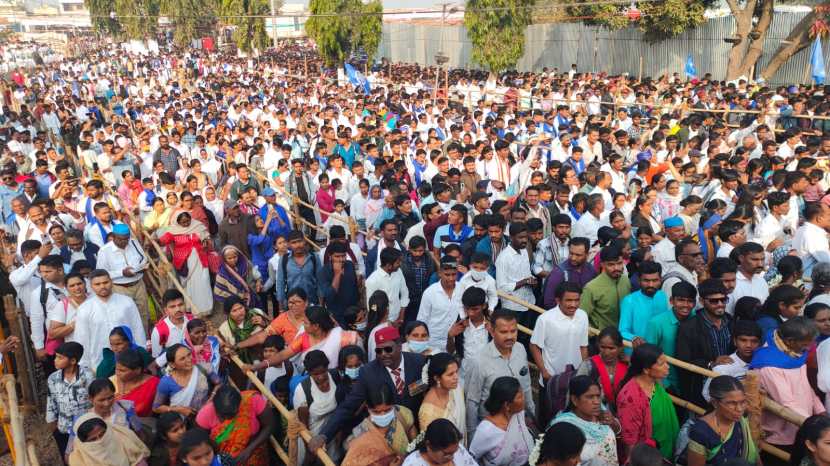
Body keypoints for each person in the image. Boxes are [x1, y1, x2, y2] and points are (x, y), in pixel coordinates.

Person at [308, 326, 427, 455]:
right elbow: (348, 406)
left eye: (388, 349)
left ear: (399, 346)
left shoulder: (419, 362)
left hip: (417, 431)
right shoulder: (369, 373)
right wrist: (324, 435)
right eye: (379, 351)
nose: (383, 354)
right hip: (386, 437)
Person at [754, 317, 826, 465]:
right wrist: (815, 425)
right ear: (790, 341)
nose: (810, 347)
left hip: (802, 426)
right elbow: (787, 404)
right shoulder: (769, 366)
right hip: (780, 435)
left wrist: (820, 411)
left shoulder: (794, 353)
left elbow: (806, 388)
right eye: (807, 344)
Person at [465, 309, 535, 435]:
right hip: (492, 429)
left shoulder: (520, 349)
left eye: (513, 331)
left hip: (519, 422)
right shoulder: (479, 361)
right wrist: (472, 436)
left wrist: (532, 414)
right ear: (491, 331)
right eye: (503, 332)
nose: (509, 336)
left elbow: (526, 386)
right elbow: (472, 402)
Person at [676, 279, 735, 408]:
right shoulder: (689, 328)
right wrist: (711, 363)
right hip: (703, 391)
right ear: (702, 301)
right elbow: (683, 361)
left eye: (723, 300)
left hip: (731, 386)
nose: (720, 304)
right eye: (714, 301)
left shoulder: (731, 321)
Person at [251, 305, 360, 373]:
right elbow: (282, 355)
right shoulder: (303, 338)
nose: (303, 325)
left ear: (316, 326)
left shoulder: (343, 338)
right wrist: (258, 366)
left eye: (306, 322)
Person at [616, 343, 679, 460]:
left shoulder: (656, 382)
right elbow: (630, 442)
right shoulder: (630, 398)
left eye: (666, 362)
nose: (667, 366)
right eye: (661, 364)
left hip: (666, 449)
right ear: (646, 369)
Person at [74, 270, 146, 371]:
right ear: (91, 286)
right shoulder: (85, 308)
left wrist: (141, 352)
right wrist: (85, 365)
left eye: (105, 282)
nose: (102, 286)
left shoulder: (126, 302)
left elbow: (137, 328)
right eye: (97, 284)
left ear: (111, 282)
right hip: (99, 360)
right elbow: (82, 338)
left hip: (129, 358)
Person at [687, 376, 759, 466]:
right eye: (732, 403)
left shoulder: (741, 419)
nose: (739, 409)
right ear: (715, 403)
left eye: (743, 402)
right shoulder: (701, 432)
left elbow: (754, 453)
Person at [195, 384, 274, 466]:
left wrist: (249, 450)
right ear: (214, 407)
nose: (228, 419)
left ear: (240, 403)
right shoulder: (205, 415)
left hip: (254, 454)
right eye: (223, 415)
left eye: (232, 414)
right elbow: (200, 442)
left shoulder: (252, 400)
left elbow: (269, 426)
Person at [551, 375, 620, 466]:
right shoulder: (563, 426)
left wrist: (613, 423)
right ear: (575, 400)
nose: (596, 402)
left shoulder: (602, 412)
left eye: (598, 396)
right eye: (590, 397)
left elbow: (618, 431)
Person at [342, 383, 417, 466]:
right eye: (376, 412)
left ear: (393, 405)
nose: (383, 415)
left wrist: (411, 455)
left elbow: (411, 430)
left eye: (387, 410)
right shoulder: (360, 434)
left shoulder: (402, 413)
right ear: (368, 408)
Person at [469, 376, 536, 466]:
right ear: (507, 405)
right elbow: (472, 458)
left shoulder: (518, 415)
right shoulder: (486, 431)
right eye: (520, 397)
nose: (524, 399)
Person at [531, 281, 589, 383]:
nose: (573, 305)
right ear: (558, 300)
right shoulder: (545, 319)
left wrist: (584, 370)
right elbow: (534, 346)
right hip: (551, 377)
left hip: (575, 377)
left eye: (577, 300)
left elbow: (583, 346)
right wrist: (544, 372)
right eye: (569, 300)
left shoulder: (583, 316)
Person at [96, 223, 152, 329]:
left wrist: (138, 268)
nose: (124, 242)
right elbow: (102, 273)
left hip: (138, 284)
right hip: (120, 288)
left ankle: (143, 340)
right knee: (125, 316)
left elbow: (143, 258)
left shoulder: (133, 243)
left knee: (143, 314)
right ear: (113, 236)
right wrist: (122, 273)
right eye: (121, 239)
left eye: (126, 239)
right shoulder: (105, 251)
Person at [157, 211, 212, 316]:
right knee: (188, 285)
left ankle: (205, 309)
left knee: (203, 283)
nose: (187, 224)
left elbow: (207, 238)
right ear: (178, 222)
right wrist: (155, 241)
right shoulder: (173, 231)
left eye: (188, 221)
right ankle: (190, 308)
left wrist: (205, 242)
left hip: (200, 261)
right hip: (184, 263)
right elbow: (163, 240)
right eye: (183, 222)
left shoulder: (198, 226)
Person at [47, 342, 94, 460]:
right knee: (69, 458)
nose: (55, 360)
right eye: (55, 356)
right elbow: (51, 401)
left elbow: (94, 400)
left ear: (73, 361)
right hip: (63, 429)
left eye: (60, 358)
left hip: (85, 428)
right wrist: (53, 425)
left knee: (87, 458)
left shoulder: (87, 376)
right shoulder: (53, 378)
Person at [702, 320, 763, 402]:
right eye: (743, 340)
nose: (749, 345)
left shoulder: (764, 364)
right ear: (735, 341)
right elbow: (707, 394)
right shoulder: (724, 368)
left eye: (754, 341)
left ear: (759, 343)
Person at [153, 344, 214, 418]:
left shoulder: (202, 368)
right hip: (183, 424)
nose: (189, 360)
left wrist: (212, 397)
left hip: (207, 415)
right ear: (172, 365)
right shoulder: (166, 382)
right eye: (182, 359)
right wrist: (179, 410)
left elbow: (219, 383)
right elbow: (156, 408)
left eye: (189, 354)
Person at [576, 326, 628, 410]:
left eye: (611, 348)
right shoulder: (588, 366)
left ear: (620, 348)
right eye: (602, 347)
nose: (606, 352)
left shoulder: (627, 366)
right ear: (598, 345)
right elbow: (577, 393)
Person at [580, 245, 631, 331]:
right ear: (602, 265)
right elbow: (581, 317)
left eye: (619, 263)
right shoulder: (591, 288)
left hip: (623, 335)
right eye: (611, 265)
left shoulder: (625, 280)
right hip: (601, 338)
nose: (616, 268)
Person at [417, 256, 463, 351]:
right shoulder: (430, 293)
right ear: (439, 273)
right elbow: (421, 320)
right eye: (447, 274)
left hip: (453, 343)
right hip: (432, 343)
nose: (451, 278)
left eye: (454, 274)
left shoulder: (462, 289)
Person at [68, 413, 150, 466]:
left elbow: (139, 459)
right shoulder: (77, 460)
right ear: (83, 442)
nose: (100, 440)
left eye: (102, 434)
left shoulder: (123, 437)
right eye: (92, 439)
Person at [618, 260, 669, 345]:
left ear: (660, 280)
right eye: (646, 281)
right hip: (638, 352)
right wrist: (633, 338)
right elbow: (623, 331)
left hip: (660, 351)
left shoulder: (663, 296)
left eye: (655, 280)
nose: (651, 285)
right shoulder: (629, 301)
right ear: (639, 280)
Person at [419, 353, 466, 439]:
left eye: (456, 372)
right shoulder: (427, 412)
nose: (456, 377)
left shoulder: (456, 388)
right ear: (437, 378)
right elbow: (433, 444)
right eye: (450, 374)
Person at [402, 418, 477, 466]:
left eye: (454, 452)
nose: (452, 457)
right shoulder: (412, 463)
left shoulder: (459, 449)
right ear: (429, 445)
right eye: (446, 454)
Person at [112, 349, 161, 418]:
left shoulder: (153, 384)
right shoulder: (112, 381)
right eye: (116, 369)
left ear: (137, 370)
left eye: (122, 370)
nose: (117, 373)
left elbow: (140, 409)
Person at [216, 297, 266, 364]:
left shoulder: (256, 314)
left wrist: (264, 324)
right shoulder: (224, 329)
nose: (239, 312)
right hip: (242, 365)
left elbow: (274, 331)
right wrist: (227, 351)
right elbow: (222, 351)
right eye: (234, 311)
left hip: (265, 358)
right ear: (228, 314)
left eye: (241, 308)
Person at [213, 244, 262, 310]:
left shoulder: (246, 264)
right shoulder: (222, 274)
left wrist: (258, 282)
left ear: (238, 255)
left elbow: (256, 274)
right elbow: (219, 291)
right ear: (224, 259)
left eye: (235, 257)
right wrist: (239, 295)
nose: (233, 260)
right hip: (235, 304)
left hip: (252, 296)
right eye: (229, 258)